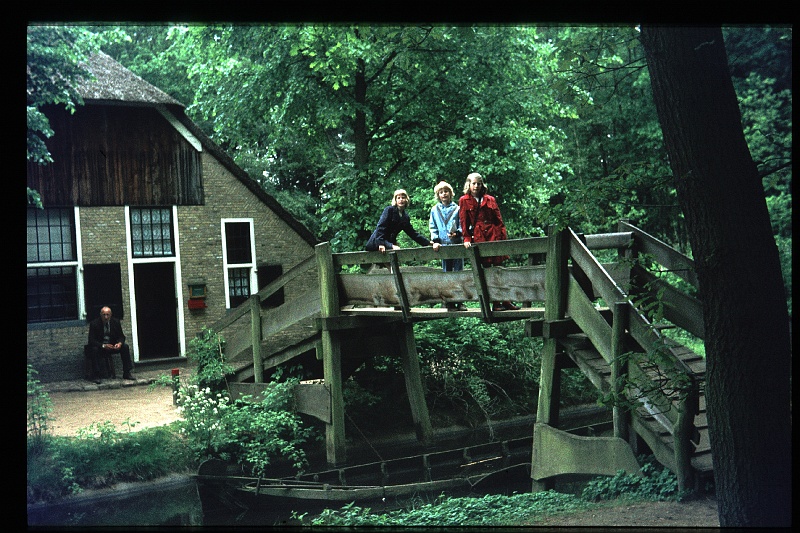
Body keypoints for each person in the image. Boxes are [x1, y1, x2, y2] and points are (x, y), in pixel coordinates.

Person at [458, 172, 520, 312]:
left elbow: (499, 221)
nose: (476, 186)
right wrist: (466, 238)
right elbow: (464, 221)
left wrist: (502, 239)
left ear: (482, 184)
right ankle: (496, 303)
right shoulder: (464, 200)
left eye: (478, 183)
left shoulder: (490, 199)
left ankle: (506, 301)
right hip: (480, 237)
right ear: (469, 184)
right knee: (487, 270)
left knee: (499, 270)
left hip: (494, 235)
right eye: (473, 183)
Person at [365, 189, 442, 255]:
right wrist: (381, 244)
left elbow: (413, 234)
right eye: (398, 198)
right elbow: (380, 227)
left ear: (406, 200)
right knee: (394, 256)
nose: (401, 199)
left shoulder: (405, 217)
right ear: (395, 200)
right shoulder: (389, 210)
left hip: (389, 244)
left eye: (403, 197)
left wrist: (429, 243)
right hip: (378, 242)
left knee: (393, 264)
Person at [429, 181, 466, 310]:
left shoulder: (458, 208)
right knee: (446, 273)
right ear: (438, 195)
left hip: (456, 244)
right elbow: (433, 226)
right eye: (441, 192)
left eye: (446, 191)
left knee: (459, 272)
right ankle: (448, 301)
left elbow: (463, 224)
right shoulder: (435, 210)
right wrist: (435, 240)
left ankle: (460, 301)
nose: (444, 194)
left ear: (451, 193)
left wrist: (457, 233)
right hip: (443, 245)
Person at [87, 306, 135, 382]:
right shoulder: (94, 324)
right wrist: (103, 346)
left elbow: (121, 336)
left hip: (112, 346)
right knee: (94, 350)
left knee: (125, 347)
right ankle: (96, 375)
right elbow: (91, 340)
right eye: (104, 315)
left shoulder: (115, 322)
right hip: (100, 347)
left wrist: (119, 343)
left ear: (111, 315)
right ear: (100, 315)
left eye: (107, 314)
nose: (106, 317)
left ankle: (127, 372)